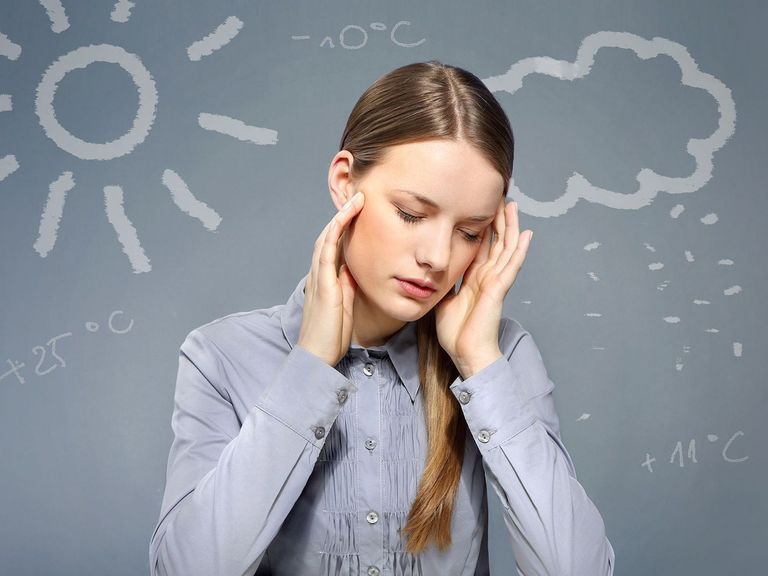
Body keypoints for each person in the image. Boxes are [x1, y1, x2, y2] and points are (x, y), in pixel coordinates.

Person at [149, 60, 615, 576]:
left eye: (469, 231)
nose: (438, 257)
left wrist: (481, 364)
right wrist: (309, 367)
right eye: (412, 214)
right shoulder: (221, 355)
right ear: (345, 182)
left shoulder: (502, 356)